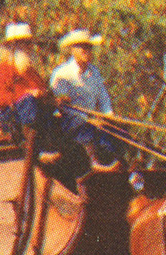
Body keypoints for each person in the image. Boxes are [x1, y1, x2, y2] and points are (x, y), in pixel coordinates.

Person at [50, 28, 122, 169]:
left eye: (88, 47)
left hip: (92, 121)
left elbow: (104, 98)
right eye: (81, 47)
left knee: (117, 132)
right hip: (70, 123)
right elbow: (63, 107)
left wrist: (108, 117)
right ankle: (95, 163)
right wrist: (87, 119)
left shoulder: (94, 72)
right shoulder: (62, 74)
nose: (86, 50)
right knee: (87, 130)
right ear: (72, 50)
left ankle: (117, 165)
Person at [0, 23, 54, 142]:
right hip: (11, 118)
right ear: (13, 46)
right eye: (25, 43)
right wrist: (25, 95)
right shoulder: (1, 70)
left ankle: (45, 146)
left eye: (30, 43)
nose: (29, 47)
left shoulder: (32, 72)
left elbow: (42, 90)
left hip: (33, 115)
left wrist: (44, 95)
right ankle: (31, 155)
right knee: (29, 102)